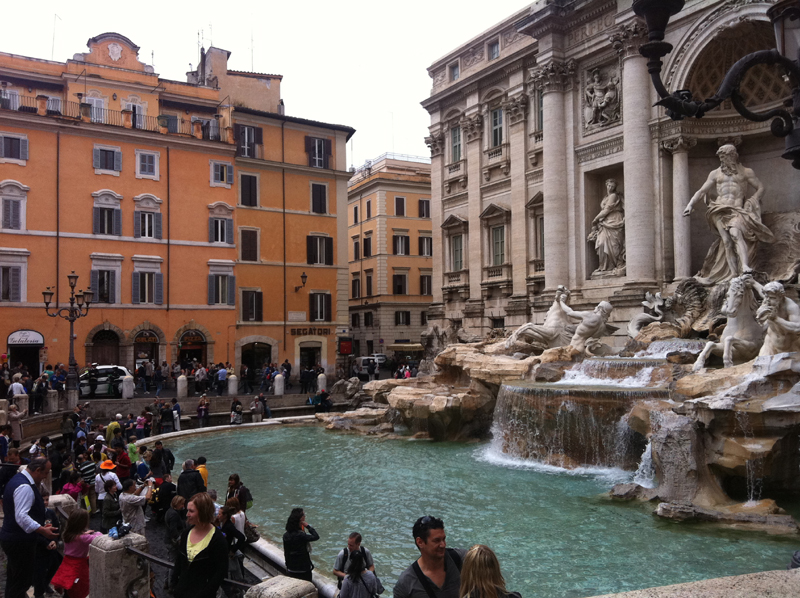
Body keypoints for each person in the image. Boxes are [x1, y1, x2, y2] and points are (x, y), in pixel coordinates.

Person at [684, 144, 775, 283]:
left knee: (735, 234)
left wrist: (753, 200)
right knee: (726, 241)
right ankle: (733, 274)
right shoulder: (715, 173)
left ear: (733, 156)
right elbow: (702, 191)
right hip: (718, 209)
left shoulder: (745, 172)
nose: (722, 160)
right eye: (721, 158)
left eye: (725, 157)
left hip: (736, 209)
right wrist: (690, 205)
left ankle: (744, 266)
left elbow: (761, 187)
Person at [0, 458, 59, 598]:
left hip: (13, 538)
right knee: (22, 582)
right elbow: (21, 516)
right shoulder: (25, 487)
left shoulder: (17, 479)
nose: (46, 476)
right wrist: (41, 529)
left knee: (14, 580)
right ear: (37, 470)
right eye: (45, 473)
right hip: (20, 541)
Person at [171, 492, 229, 598]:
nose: (187, 514)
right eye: (188, 510)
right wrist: (174, 585)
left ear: (203, 512)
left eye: (191, 511)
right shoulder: (186, 533)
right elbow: (179, 561)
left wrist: (204, 594)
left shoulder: (218, 540)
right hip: (181, 592)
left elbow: (220, 572)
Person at [393, 516, 465, 598]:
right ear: (420, 542)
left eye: (444, 539)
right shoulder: (406, 583)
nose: (443, 545)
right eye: (437, 540)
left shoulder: (460, 559)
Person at [50, 509, 103, 598]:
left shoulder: (67, 534)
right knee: (80, 589)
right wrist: (92, 533)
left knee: (68, 587)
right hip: (79, 567)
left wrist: (85, 533)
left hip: (67, 564)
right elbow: (99, 536)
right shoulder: (84, 538)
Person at [588, 178, 625, 277]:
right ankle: (604, 266)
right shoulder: (605, 197)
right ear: (606, 185)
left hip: (614, 219)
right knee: (601, 243)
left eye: (612, 186)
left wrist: (596, 219)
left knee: (614, 245)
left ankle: (613, 265)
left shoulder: (613, 196)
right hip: (605, 222)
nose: (610, 188)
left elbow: (607, 210)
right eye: (609, 185)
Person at [34, 490, 62, 598]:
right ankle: (38, 593)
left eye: (47, 500)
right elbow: (35, 531)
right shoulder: (35, 515)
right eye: (43, 500)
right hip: (40, 547)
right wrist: (45, 543)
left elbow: (56, 528)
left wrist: (54, 540)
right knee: (39, 571)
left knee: (54, 565)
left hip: (51, 545)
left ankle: (45, 584)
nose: (45, 502)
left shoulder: (50, 513)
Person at [283, 507, 320, 582]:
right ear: (301, 519)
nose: (305, 516)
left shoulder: (286, 535)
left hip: (291, 568)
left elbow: (286, 552)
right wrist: (308, 526)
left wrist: (288, 566)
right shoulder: (301, 535)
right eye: (304, 514)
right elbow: (316, 536)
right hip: (303, 568)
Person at [218, 502, 247, 596]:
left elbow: (242, 537)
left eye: (219, 514)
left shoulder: (229, 526)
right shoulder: (223, 524)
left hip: (226, 554)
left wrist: (233, 550)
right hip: (223, 553)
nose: (218, 516)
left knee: (225, 576)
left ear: (225, 515)